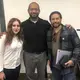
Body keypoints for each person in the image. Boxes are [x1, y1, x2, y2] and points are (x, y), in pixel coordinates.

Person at [47, 11, 80, 80]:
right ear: (50, 20)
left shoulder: (69, 30)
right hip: (54, 66)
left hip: (68, 66)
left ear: (61, 19)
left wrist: (73, 60)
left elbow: (78, 46)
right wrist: (48, 59)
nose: (55, 21)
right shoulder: (49, 32)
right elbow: (48, 48)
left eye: (57, 18)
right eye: (53, 19)